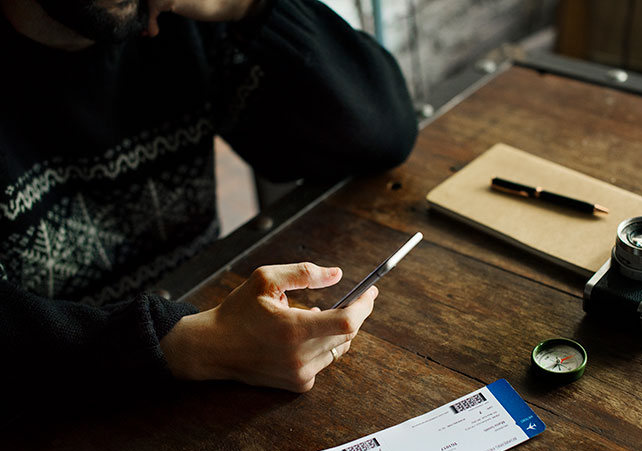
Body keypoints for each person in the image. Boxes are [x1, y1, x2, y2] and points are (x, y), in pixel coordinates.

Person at [0, 0, 417, 410]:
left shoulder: (170, 20)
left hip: (197, 333)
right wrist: (186, 345)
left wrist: (251, 6)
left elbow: (380, 135)